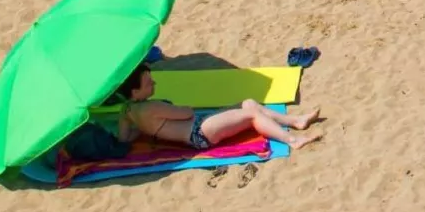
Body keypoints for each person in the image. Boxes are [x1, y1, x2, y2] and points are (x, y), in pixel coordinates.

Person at [110, 65, 321, 154]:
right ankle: (292, 140)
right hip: (199, 133)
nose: (154, 84)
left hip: (198, 128)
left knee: (248, 103)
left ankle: (296, 121)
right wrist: (173, 108)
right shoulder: (152, 107)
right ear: (135, 92)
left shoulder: (127, 111)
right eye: (149, 84)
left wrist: (145, 130)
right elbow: (187, 113)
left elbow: (125, 138)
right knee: (251, 114)